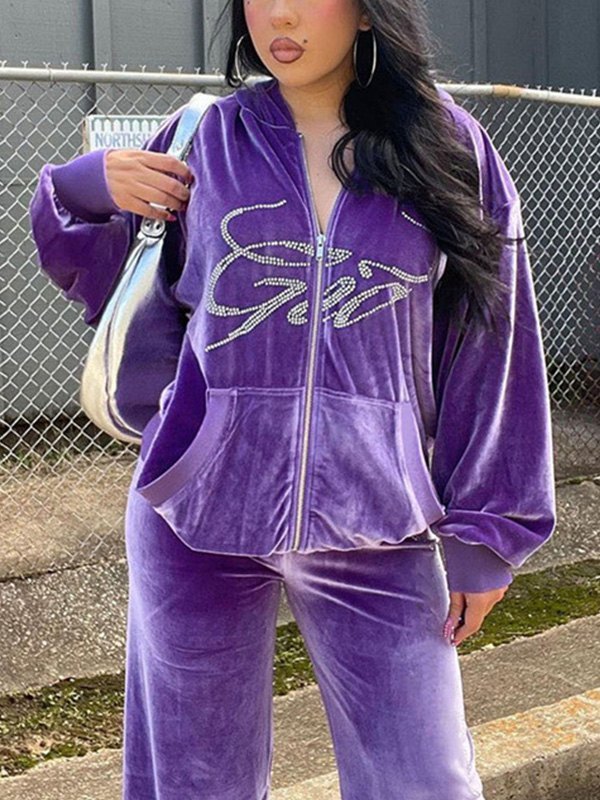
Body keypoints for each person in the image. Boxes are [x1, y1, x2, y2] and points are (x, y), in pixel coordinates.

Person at [28, 1, 556, 797]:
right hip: (196, 517)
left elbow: (495, 337)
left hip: (378, 520)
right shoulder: (206, 138)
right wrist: (82, 189)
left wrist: (489, 527)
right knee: (196, 782)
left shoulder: (449, 148)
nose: (280, 14)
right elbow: (109, 279)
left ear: (369, 13)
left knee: (423, 781)